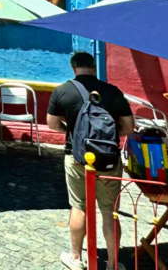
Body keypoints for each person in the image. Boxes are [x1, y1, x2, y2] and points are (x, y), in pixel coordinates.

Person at [46, 52, 134, 270]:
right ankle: (113, 265)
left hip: (76, 157)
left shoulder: (62, 91)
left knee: (79, 206)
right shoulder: (113, 92)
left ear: (73, 67)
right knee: (109, 211)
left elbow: (52, 124)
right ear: (94, 67)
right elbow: (129, 126)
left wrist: (73, 134)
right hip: (109, 160)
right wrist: (109, 141)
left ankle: (76, 259)